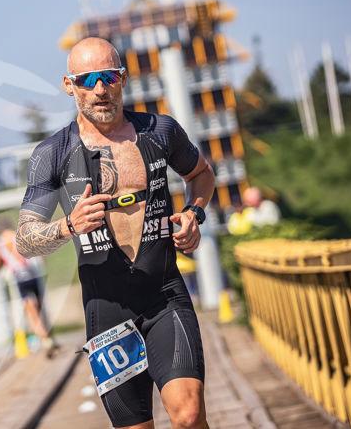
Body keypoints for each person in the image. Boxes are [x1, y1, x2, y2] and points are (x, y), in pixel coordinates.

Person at [15, 37, 216, 429]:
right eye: (87, 80)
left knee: (189, 415)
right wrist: (68, 225)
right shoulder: (53, 153)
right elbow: (25, 239)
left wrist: (194, 212)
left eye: (108, 77)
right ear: (69, 85)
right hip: (106, 313)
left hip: (164, 296)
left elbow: (201, 174)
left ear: (123, 78)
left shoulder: (159, 131)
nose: (100, 89)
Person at [0, 215, 59, 357]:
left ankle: (46, 340)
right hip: (35, 275)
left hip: (21, 278)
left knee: (32, 313)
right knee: (41, 308)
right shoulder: (19, 234)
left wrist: (5, 265)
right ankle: (50, 337)